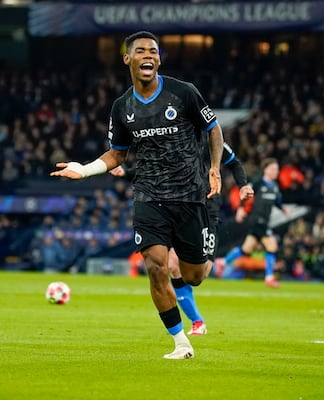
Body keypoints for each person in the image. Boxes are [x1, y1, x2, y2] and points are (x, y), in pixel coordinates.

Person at [51, 31, 224, 360]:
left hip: (189, 196)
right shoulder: (122, 107)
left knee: (194, 276)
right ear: (128, 59)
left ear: (159, 59)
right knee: (156, 266)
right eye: (141, 50)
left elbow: (213, 128)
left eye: (154, 51)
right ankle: (180, 343)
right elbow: (117, 154)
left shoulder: (183, 93)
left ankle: (205, 255)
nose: (149, 55)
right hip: (148, 196)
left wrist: (214, 167)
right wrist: (85, 169)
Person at [110, 141, 254, 335]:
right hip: (181, 208)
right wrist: (126, 173)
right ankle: (197, 321)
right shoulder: (176, 138)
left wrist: (243, 185)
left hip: (207, 211)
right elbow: (158, 170)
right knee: (173, 266)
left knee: (200, 274)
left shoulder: (212, 140)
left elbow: (234, 162)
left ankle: (218, 264)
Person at [217, 157, 289, 288]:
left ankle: (223, 262)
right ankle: (269, 277)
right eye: (273, 169)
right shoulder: (257, 183)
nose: (275, 171)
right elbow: (244, 194)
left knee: (246, 249)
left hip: (264, 222)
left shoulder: (275, 187)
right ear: (265, 170)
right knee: (272, 247)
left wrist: (283, 209)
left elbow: (277, 201)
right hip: (257, 221)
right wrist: (240, 209)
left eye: (277, 169)